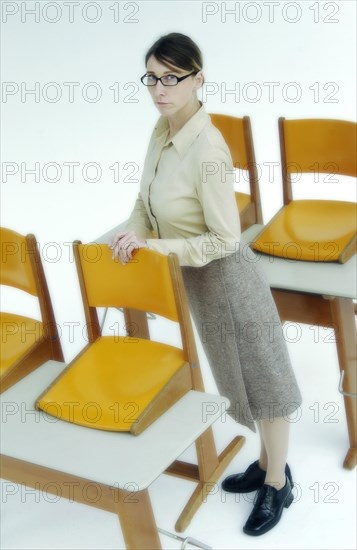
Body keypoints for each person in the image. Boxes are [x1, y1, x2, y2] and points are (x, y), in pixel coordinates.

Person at [109, 32, 302, 537]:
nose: (160, 88)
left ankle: (278, 483)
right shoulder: (161, 129)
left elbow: (223, 239)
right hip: (199, 282)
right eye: (153, 76)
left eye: (172, 78)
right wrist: (137, 230)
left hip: (229, 279)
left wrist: (156, 250)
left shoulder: (208, 149)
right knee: (239, 381)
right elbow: (144, 198)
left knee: (266, 382)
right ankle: (265, 466)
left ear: (199, 79)